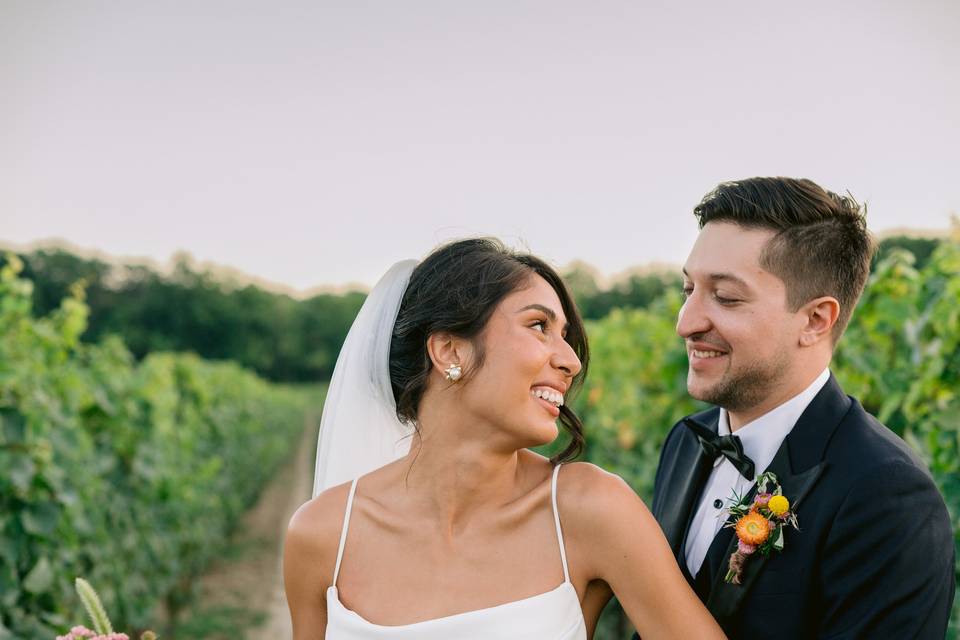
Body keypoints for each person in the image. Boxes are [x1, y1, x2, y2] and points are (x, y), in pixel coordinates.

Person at [284, 238, 726, 639]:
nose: (571, 361)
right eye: (538, 326)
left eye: (566, 337)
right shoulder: (321, 535)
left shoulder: (590, 511)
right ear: (449, 352)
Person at [648, 177, 955, 639]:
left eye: (726, 297)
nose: (685, 323)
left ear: (815, 320)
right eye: (687, 290)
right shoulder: (686, 440)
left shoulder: (887, 496)